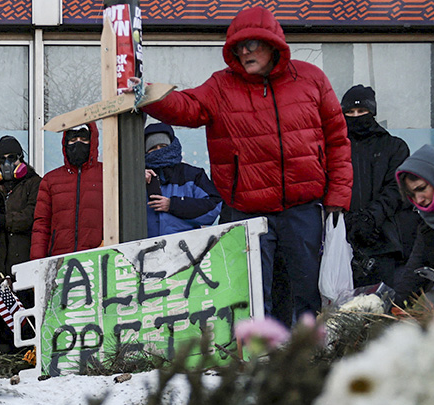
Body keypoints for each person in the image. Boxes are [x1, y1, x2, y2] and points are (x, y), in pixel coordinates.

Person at [139, 5, 352, 325]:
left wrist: (337, 196)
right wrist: (145, 92)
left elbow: (337, 140)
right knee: (251, 293)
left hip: (303, 207)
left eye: (252, 44)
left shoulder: (311, 79)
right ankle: (257, 360)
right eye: (239, 46)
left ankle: (307, 357)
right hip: (248, 209)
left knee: (303, 291)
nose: (245, 51)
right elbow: (186, 107)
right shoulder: (221, 86)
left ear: (272, 45)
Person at [339, 85, 420, 289]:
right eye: (350, 112)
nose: (356, 116)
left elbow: (397, 188)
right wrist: (348, 221)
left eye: (362, 111)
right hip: (343, 241)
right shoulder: (336, 148)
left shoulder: (394, 146)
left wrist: (371, 217)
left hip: (386, 239)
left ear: (372, 112)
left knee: (384, 305)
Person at [0, 135, 41, 350]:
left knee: (28, 325)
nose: (7, 164)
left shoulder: (35, 183)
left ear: (21, 159)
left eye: (12, 158)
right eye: (2, 159)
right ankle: (8, 368)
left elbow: (32, 216)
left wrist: (0, 221)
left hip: (23, 267)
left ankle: (28, 363)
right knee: (2, 328)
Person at [392, 145, 434, 304]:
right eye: (412, 195)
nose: (419, 199)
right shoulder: (429, 228)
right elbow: (413, 275)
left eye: (422, 189)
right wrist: (389, 310)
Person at [31, 124, 103, 260]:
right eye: (73, 140)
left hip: (100, 259)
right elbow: (42, 224)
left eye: (84, 139)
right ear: (65, 143)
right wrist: (37, 262)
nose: (78, 144)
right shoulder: (51, 179)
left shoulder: (107, 174)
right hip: (60, 261)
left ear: (92, 141)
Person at [142, 122, 222, 238]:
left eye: (163, 146)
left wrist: (173, 205)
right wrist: (136, 182)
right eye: (153, 148)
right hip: (144, 250)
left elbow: (214, 207)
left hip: (186, 250)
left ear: (171, 146)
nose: (158, 151)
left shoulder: (192, 174)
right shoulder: (136, 177)